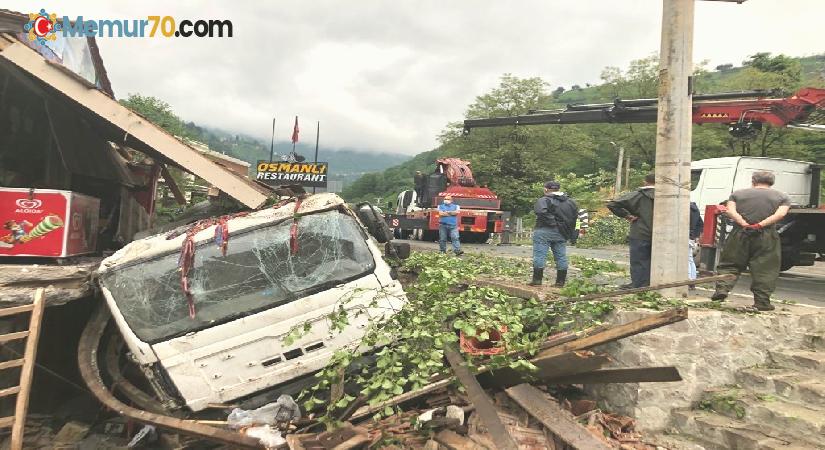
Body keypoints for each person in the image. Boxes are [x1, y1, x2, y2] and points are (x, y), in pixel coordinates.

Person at [711, 171, 791, 311]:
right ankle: (762, 302)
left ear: (753, 181)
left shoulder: (737, 194)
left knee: (730, 263)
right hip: (766, 235)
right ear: (771, 182)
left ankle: (722, 290)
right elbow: (780, 214)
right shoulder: (782, 197)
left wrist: (744, 224)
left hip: (740, 233)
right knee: (765, 269)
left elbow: (730, 211)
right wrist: (760, 225)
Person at [607, 173, 655, 288]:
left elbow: (612, 204)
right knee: (656, 261)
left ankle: (638, 285)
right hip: (662, 235)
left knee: (639, 261)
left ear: (645, 182)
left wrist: (627, 216)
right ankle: (654, 284)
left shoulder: (637, 195)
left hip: (640, 232)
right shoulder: (669, 196)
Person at [529, 181, 578, 287]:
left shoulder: (544, 200)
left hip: (544, 231)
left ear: (546, 189)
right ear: (558, 189)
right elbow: (575, 218)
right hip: (562, 233)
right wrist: (572, 234)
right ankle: (560, 282)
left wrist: (553, 223)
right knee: (561, 256)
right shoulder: (571, 202)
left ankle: (537, 280)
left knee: (540, 255)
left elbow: (541, 212)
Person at [688, 202, 704, 284]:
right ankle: (692, 279)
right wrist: (695, 236)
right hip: (691, 237)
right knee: (690, 259)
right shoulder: (695, 209)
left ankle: (689, 280)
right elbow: (701, 224)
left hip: (685, 235)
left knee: (686, 260)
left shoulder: (685, 208)